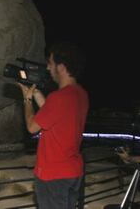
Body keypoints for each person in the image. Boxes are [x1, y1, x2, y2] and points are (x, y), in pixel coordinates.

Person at [17, 42, 89, 209]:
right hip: (72, 172)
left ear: (61, 66)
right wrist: (35, 93)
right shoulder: (80, 94)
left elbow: (32, 127)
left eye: (50, 63)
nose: (48, 68)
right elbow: (52, 115)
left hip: (53, 175)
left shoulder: (59, 97)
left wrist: (26, 99)